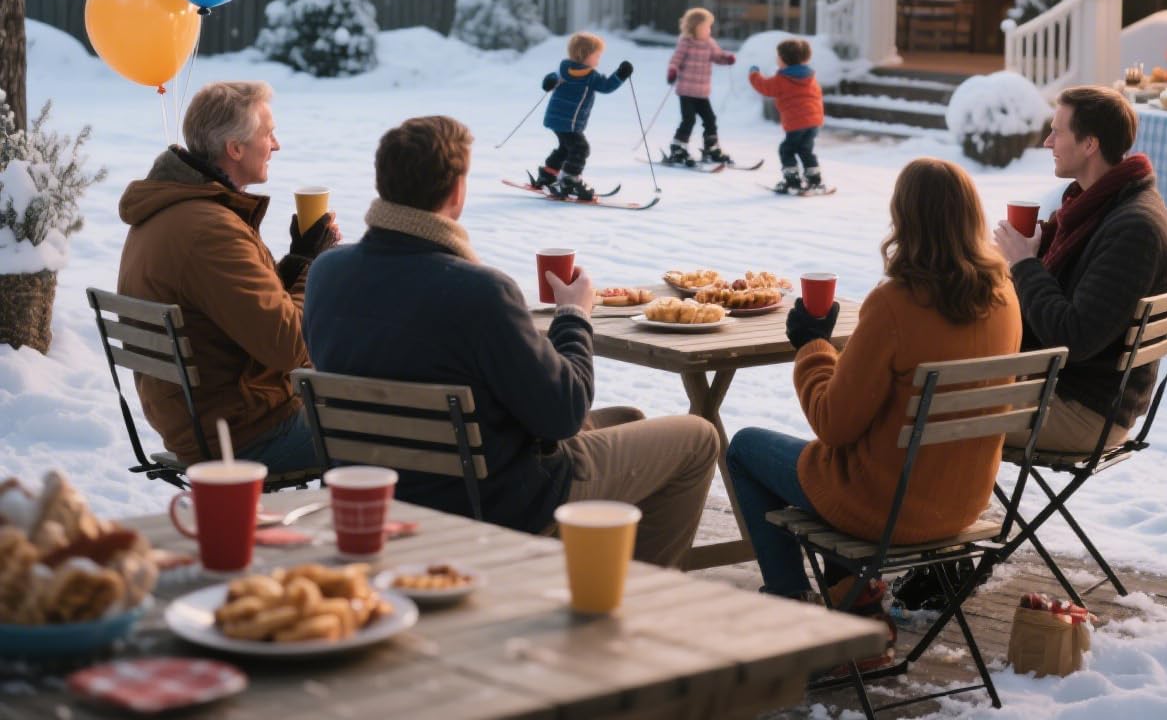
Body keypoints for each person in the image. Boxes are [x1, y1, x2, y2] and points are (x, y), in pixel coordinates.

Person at [303, 115, 718, 566]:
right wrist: (574, 315)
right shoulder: (477, 291)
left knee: (629, 418)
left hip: (384, 488)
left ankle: (594, 572)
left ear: (383, 182)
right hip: (492, 502)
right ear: (457, 191)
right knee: (697, 437)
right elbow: (562, 413)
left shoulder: (327, 271)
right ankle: (631, 594)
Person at [726, 159, 1020, 600]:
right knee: (830, 464)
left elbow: (834, 424)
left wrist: (812, 345)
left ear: (904, 219)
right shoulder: (1004, 296)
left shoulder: (895, 304)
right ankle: (851, 594)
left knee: (746, 447)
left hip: (882, 509)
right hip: (961, 505)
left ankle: (787, 600)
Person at [116, 81, 339, 472]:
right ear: (235, 149)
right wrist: (313, 269)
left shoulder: (178, 210)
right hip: (245, 434)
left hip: (211, 421)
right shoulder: (208, 229)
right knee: (395, 430)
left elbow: (236, 311)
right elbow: (290, 345)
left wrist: (298, 258)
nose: (276, 145)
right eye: (268, 133)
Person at [993, 85, 1167, 454]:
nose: (1048, 142)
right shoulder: (1099, 207)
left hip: (1085, 412)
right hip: (1061, 388)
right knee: (928, 381)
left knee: (923, 410)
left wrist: (1026, 264)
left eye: (1057, 131)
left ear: (1090, 144)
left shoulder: (1133, 227)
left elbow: (1074, 337)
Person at [529, 32, 632, 201]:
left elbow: (553, 77)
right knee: (580, 149)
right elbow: (606, 86)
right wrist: (620, 75)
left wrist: (550, 81)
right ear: (585, 55)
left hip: (557, 120)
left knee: (565, 148)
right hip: (569, 123)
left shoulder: (564, 69)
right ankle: (569, 180)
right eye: (597, 55)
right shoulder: (590, 76)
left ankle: (548, 175)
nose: (599, 59)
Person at [748, 38, 826, 194]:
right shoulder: (810, 77)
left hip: (796, 123)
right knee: (806, 150)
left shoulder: (782, 79)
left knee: (787, 150)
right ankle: (815, 181)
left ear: (783, 60)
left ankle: (792, 181)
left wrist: (754, 74)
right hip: (813, 122)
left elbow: (764, 87)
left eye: (778, 56)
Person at [665, 6, 737, 166]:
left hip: (702, 92)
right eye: (706, 26)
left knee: (710, 119)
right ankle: (678, 148)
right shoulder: (686, 43)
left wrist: (727, 58)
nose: (709, 30)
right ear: (694, 27)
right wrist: (672, 71)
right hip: (686, 91)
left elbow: (718, 56)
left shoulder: (709, 43)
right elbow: (675, 60)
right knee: (688, 120)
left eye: (709, 27)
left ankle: (711, 148)